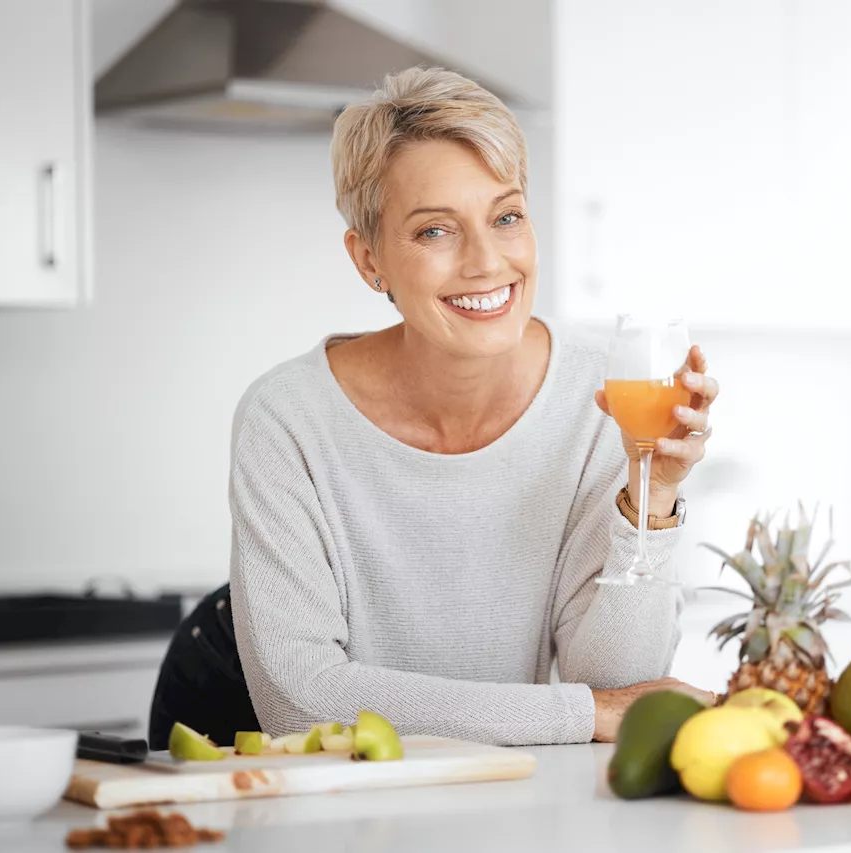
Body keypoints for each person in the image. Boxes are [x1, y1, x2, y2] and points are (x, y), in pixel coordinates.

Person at [147, 66, 719, 749]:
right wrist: (577, 713)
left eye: (506, 217)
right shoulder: (288, 416)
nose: (486, 261)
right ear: (369, 261)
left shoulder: (602, 397)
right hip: (266, 751)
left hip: (486, 774)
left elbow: (619, 683)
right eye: (434, 232)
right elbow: (303, 701)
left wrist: (651, 499)